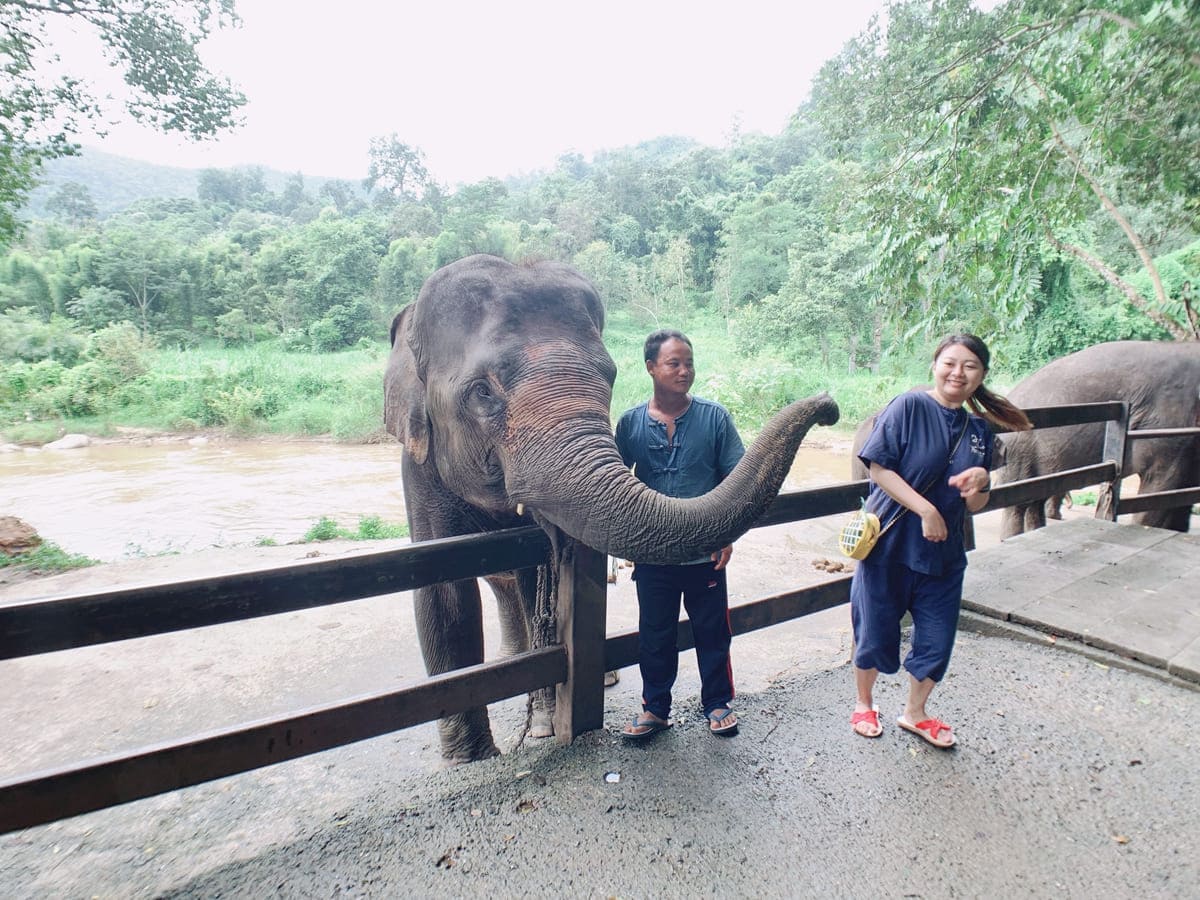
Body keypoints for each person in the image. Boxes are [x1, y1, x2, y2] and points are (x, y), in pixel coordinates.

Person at [849, 333, 1031, 748]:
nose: (958, 372)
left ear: (981, 375)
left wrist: (982, 481)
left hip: (943, 552)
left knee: (937, 637)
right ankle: (864, 703)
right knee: (875, 629)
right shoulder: (908, 406)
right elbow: (879, 469)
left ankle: (915, 712)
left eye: (970, 366)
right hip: (890, 547)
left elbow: (977, 505)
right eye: (950, 362)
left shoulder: (980, 430)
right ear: (935, 365)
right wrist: (925, 510)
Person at [614, 329, 745, 740]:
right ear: (651, 367)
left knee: (712, 631)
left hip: (705, 552)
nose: (684, 371)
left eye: (688, 362)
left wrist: (728, 535)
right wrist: (622, 543)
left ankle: (718, 703)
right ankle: (655, 709)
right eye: (674, 363)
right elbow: (612, 486)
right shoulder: (631, 425)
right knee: (655, 635)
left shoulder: (715, 418)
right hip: (654, 554)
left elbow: (737, 482)